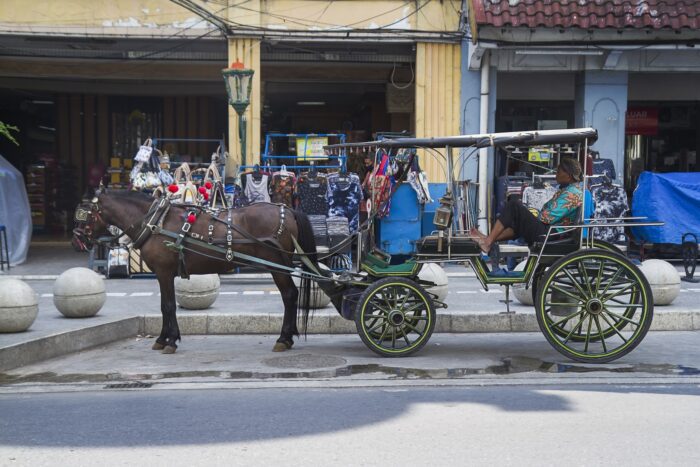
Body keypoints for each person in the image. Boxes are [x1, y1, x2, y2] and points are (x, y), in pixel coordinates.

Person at [470, 157, 583, 253]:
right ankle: (489, 239)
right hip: (551, 231)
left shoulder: (571, 194)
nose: (556, 174)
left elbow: (546, 217)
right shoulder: (568, 190)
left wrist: (529, 214)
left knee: (514, 205)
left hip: (551, 234)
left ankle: (488, 241)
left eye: (559, 172)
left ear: (568, 176)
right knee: (518, 220)